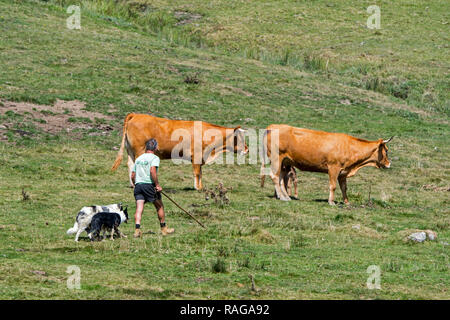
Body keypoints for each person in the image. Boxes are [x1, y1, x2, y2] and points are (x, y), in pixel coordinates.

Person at [131, 138, 174, 237]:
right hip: (149, 185)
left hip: (138, 185)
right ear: (155, 147)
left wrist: (134, 184)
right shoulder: (154, 158)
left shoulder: (138, 158)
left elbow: (133, 175)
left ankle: (137, 230)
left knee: (139, 207)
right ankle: (164, 229)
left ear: (146, 148)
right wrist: (157, 185)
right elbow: (152, 171)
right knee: (159, 206)